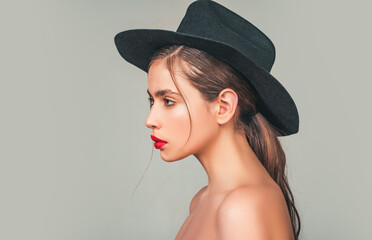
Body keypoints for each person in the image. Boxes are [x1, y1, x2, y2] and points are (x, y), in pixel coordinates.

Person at [114, 0, 301, 239]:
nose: (150, 120)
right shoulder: (202, 201)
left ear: (223, 107)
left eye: (168, 101)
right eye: (153, 101)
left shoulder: (241, 208)